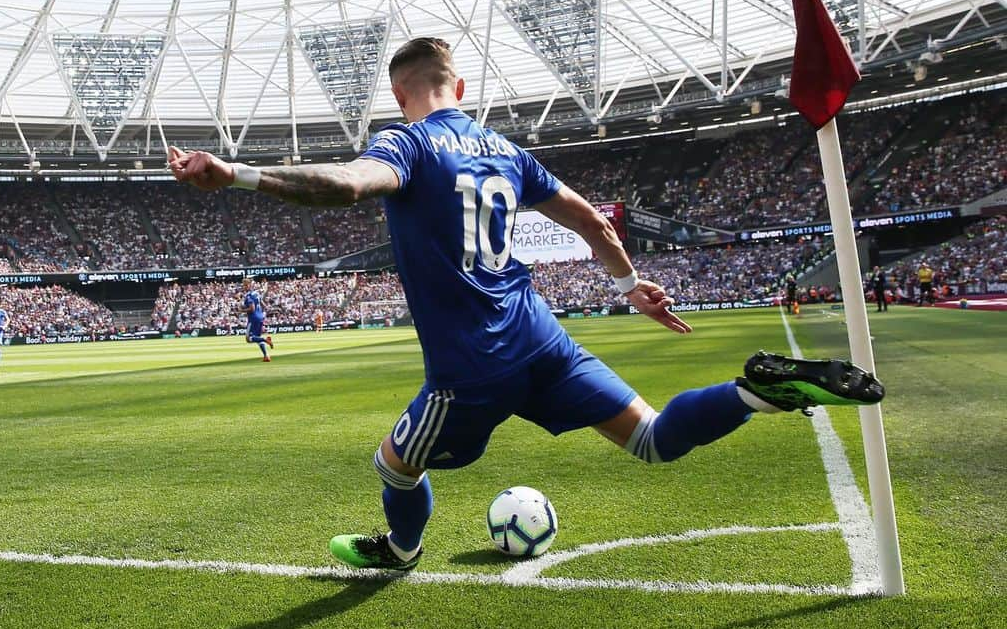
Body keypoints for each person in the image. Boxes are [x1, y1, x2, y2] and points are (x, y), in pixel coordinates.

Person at [169, 37, 885, 572]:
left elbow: (351, 185)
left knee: (393, 466)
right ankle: (756, 393)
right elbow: (591, 221)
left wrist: (239, 174)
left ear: (400, 94)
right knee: (654, 438)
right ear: (460, 83)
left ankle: (401, 549)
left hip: (471, 367)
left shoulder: (407, 143)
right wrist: (626, 286)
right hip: (543, 340)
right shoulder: (506, 151)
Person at [242, 278, 274, 361]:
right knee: (257, 337)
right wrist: (262, 314)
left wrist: (241, 310)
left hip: (253, 318)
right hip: (260, 316)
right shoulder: (256, 293)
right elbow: (263, 304)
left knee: (248, 338)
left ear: (249, 285)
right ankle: (266, 356)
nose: (244, 287)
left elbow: (252, 309)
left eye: (245, 285)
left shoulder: (249, 295)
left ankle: (266, 340)